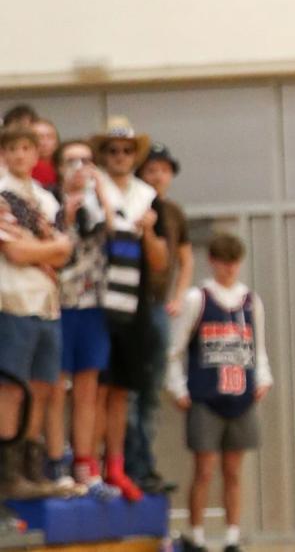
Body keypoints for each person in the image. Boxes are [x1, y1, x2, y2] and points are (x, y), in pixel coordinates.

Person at [166, 233, 272, 552]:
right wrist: (176, 386)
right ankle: (196, 535)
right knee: (204, 469)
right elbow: (174, 349)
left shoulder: (251, 300)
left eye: (234, 263)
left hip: (241, 396)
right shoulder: (198, 299)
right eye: (224, 262)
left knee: (233, 471)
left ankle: (232, 537)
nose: (230, 269)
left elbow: (259, 347)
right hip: (206, 397)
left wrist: (263, 378)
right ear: (212, 262)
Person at [91, 115, 167, 501]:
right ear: (103, 155)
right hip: (94, 302)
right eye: (112, 150)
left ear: (134, 155)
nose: (119, 156)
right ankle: (89, 466)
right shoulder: (92, 190)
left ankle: (117, 466)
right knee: (93, 390)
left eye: (126, 150)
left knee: (122, 390)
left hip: (134, 304)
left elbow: (160, 262)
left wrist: (149, 230)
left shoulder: (149, 197)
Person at [0, 125, 73, 499]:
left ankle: (32, 466)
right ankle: (8, 471)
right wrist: (49, 249)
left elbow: (66, 253)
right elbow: (14, 252)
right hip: (13, 299)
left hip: (48, 304)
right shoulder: (1, 193)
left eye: (25, 148)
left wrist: (43, 250)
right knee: (12, 388)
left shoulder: (46, 198)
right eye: (11, 148)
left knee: (44, 385)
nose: (18, 155)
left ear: (36, 154)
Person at [45, 139, 119, 499]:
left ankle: (86, 466)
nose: (79, 168)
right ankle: (57, 463)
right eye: (71, 161)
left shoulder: (101, 200)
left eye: (86, 161)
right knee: (57, 388)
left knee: (88, 390)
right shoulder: (45, 201)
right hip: (57, 305)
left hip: (94, 304)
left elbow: (119, 234)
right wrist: (67, 216)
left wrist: (102, 195)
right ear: (58, 167)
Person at [126, 142, 191, 494]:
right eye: (151, 169)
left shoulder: (173, 213)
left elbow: (185, 258)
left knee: (152, 390)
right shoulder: (134, 204)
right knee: (131, 393)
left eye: (163, 170)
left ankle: (145, 464)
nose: (157, 175)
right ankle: (130, 465)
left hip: (157, 305)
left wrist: (179, 296)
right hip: (129, 307)